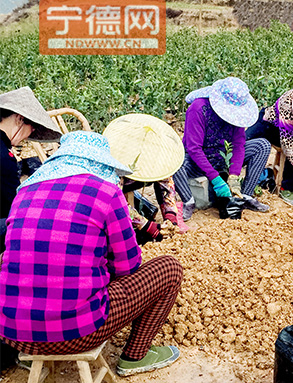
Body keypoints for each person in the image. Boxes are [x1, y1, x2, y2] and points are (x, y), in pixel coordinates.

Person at [0, 131, 183, 376]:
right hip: (76, 333)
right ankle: (135, 356)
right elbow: (128, 266)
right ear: (100, 163)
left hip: (14, 335)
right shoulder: (105, 192)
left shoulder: (24, 192)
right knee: (169, 268)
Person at [173, 77, 271, 220]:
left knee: (262, 145)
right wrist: (216, 179)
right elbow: (194, 148)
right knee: (175, 161)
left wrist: (234, 175)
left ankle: (245, 196)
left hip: (224, 157)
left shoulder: (237, 114)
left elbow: (238, 144)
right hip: (197, 160)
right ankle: (189, 201)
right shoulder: (198, 109)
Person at [103, 113, 186, 245]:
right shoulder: (114, 168)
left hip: (129, 188)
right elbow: (117, 202)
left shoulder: (159, 160)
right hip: (108, 196)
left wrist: (170, 218)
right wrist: (146, 225)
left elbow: (166, 187)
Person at [0, 87, 61, 250]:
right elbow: (12, 208)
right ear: (19, 119)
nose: (30, 133)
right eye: (32, 126)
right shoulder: (4, 157)